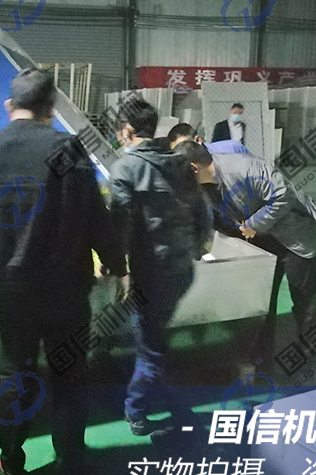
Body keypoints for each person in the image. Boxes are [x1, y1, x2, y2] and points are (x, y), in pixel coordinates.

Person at [0, 68, 125, 475]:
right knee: (68, 376)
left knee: (16, 372)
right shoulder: (68, 150)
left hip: (8, 289)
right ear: (51, 108)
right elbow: (95, 216)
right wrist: (116, 263)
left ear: (10, 106)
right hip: (64, 286)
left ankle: (11, 462)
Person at [109, 100, 210, 443]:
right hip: (182, 269)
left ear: (127, 130)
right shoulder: (180, 162)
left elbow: (119, 226)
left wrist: (117, 270)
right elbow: (203, 213)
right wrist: (196, 249)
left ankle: (143, 412)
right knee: (153, 339)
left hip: (152, 274)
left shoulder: (126, 167)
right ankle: (160, 403)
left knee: (151, 349)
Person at [176, 141, 316, 336]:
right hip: (263, 239)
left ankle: (309, 346)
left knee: (305, 300)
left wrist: (255, 223)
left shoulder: (244, 167)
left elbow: (282, 195)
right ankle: (262, 349)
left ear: (194, 168)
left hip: (295, 234)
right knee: (262, 298)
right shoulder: (205, 185)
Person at [168, 122, 250, 154]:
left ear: (198, 140)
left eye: (184, 147)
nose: (181, 153)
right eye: (176, 151)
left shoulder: (232, 148)